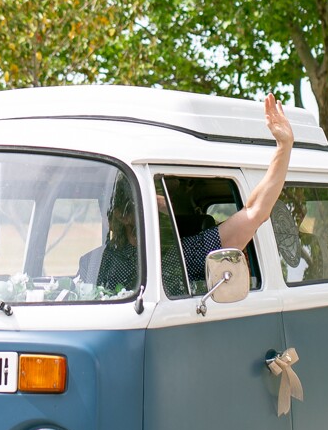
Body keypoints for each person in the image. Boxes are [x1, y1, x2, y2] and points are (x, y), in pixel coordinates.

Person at [78, 95, 297, 295]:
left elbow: (254, 213)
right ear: (120, 214)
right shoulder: (90, 263)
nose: (161, 205)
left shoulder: (179, 254)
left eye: (158, 196)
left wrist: (283, 148)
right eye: (147, 196)